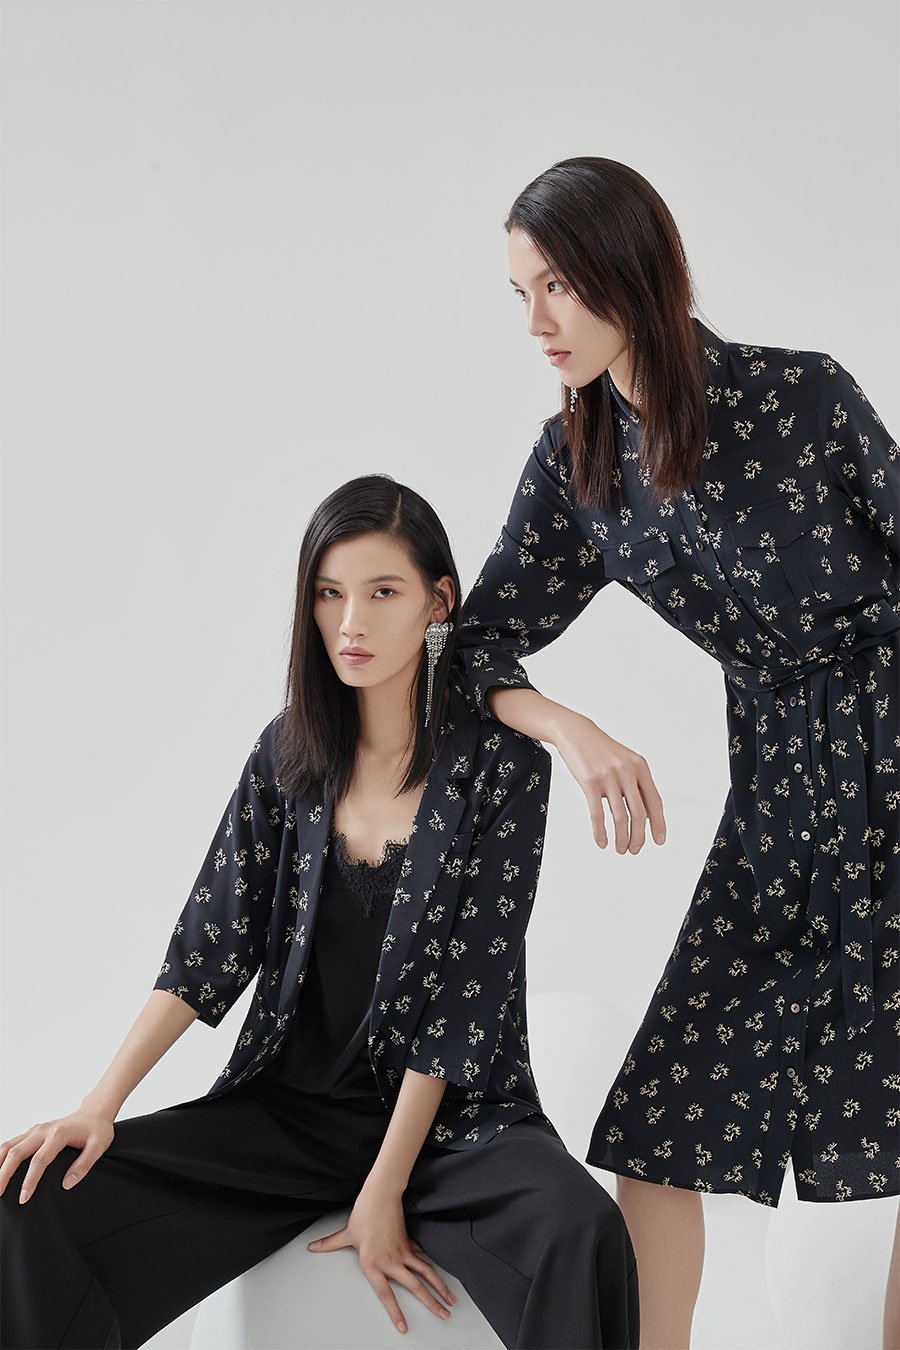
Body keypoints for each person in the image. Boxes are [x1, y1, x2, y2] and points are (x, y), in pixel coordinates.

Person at [0, 475, 639, 1350]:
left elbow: (465, 1001)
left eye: (383, 593)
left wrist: (385, 1188)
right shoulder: (287, 752)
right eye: (330, 594)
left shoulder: (504, 766)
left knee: (582, 1230)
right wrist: (98, 1104)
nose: (351, 624)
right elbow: (208, 947)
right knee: (31, 1200)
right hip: (290, 1113)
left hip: (454, 1128)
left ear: (438, 603)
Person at [454, 156, 899, 1350]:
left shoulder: (804, 396)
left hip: (895, 749)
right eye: (521, 293)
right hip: (779, 800)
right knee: (663, 1124)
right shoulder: (579, 465)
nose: (537, 323)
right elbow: (468, 642)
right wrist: (571, 727)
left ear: (629, 271)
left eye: (557, 286)